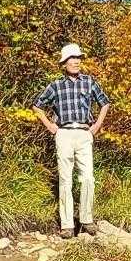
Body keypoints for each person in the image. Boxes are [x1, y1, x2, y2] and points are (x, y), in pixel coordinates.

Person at [34, 43, 110, 239]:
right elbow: (37, 106)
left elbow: (105, 103)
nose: (76, 61)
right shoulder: (56, 85)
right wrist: (50, 126)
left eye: (78, 58)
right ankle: (67, 225)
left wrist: (96, 126)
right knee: (65, 179)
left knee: (88, 178)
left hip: (84, 133)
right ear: (64, 62)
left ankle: (86, 219)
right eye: (72, 58)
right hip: (64, 133)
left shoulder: (89, 82)